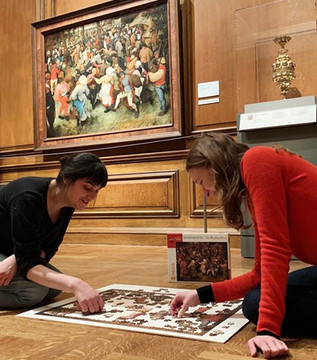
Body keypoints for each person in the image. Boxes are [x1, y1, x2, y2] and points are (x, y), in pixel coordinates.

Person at [170, 132, 317, 359]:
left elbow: (275, 250)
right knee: (261, 293)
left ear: (214, 165)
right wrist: (200, 295)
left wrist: (267, 330)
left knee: (254, 303)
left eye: (200, 182)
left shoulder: (255, 160)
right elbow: (260, 273)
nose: (205, 193)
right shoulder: (252, 188)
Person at [0, 152, 108, 314]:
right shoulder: (27, 197)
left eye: (97, 191)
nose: (92, 196)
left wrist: (17, 258)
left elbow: (48, 250)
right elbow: (31, 259)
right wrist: (76, 284)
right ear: (66, 178)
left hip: (9, 251)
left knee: (53, 289)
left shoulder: (68, 204)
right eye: (87, 187)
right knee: (33, 292)